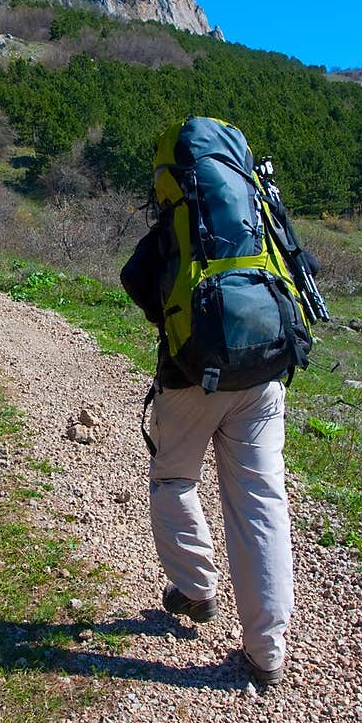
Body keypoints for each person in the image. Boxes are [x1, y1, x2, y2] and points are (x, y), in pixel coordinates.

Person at [120, 125, 315, 689]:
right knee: (261, 503)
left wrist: (175, 322)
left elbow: (135, 281)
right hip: (264, 374)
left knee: (175, 480)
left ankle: (196, 590)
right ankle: (266, 652)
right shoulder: (258, 214)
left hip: (189, 378)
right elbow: (304, 271)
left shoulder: (178, 223)